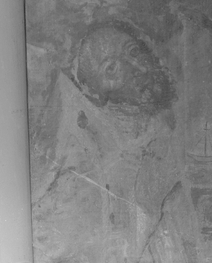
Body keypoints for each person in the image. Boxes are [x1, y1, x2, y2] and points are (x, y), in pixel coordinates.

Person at [32, 21, 198, 263]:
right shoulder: (81, 150)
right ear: (94, 91)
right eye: (111, 68)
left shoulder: (161, 135)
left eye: (133, 52)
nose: (136, 68)